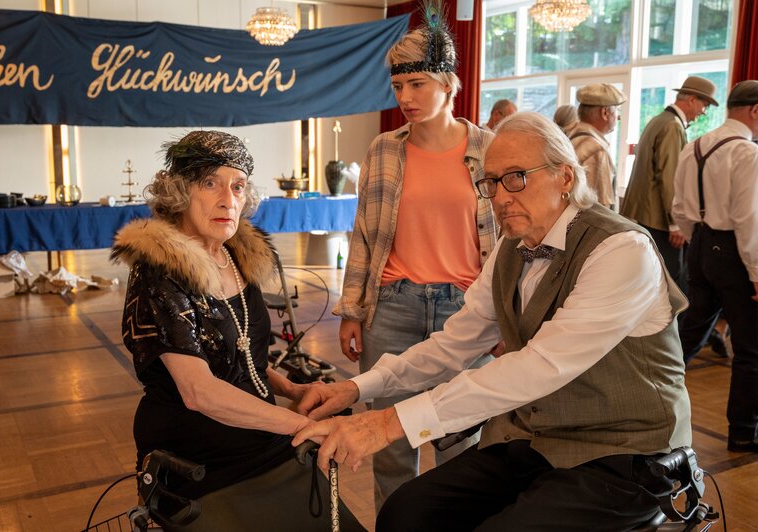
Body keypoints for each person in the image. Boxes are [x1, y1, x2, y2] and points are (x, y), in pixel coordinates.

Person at [295, 112, 691, 531]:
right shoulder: (510, 247)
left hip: (623, 451)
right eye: (491, 182)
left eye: (516, 177)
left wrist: (391, 423)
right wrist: (356, 387)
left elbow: (540, 366)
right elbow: (453, 344)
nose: (500, 197)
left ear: (565, 177)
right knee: (405, 512)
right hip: (534, 438)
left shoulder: (621, 249)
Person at [112, 130, 362, 531]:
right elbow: (199, 392)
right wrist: (302, 425)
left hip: (257, 430)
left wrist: (293, 390)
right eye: (210, 183)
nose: (228, 199)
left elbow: (241, 356)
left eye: (238, 186)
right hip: (198, 456)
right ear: (179, 192)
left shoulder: (234, 255)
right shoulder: (160, 270)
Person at [333, 7, 497, 510]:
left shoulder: (490, 151)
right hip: (393, 307)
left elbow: (509, 242)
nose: (405, 97)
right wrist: (351, 309)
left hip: (466, 312)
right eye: (398, 85)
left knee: (460, 439)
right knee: (389, 443)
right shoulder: (384, 149)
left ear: (448, 84)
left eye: (417, 84)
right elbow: (363, 235)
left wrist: (505, 318)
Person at [672, 80, 758, 452]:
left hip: (701, 246)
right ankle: (743, 432)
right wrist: (757, 274)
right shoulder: (747, 153)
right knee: (751, 348)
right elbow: (748, 220)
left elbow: (679, 209)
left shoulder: (694, 147)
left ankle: (646, 397)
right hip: (733, 252)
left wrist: (701, 243)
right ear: (754, 110)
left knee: (689, 334)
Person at [620, 76, 719, 293]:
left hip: (646, 217)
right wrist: (675, 223)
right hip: (659, 221)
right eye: (704, 105)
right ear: (692, 100)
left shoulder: (659, 120)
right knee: (669, 285)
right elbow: (669, 178)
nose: (704, 112)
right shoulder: (673, 126)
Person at [570, 83, 627, 209]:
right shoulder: (596, 151)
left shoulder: (571, 137)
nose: (618, 117)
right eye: (617, 110)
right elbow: (601, 208)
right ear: (605, 113)